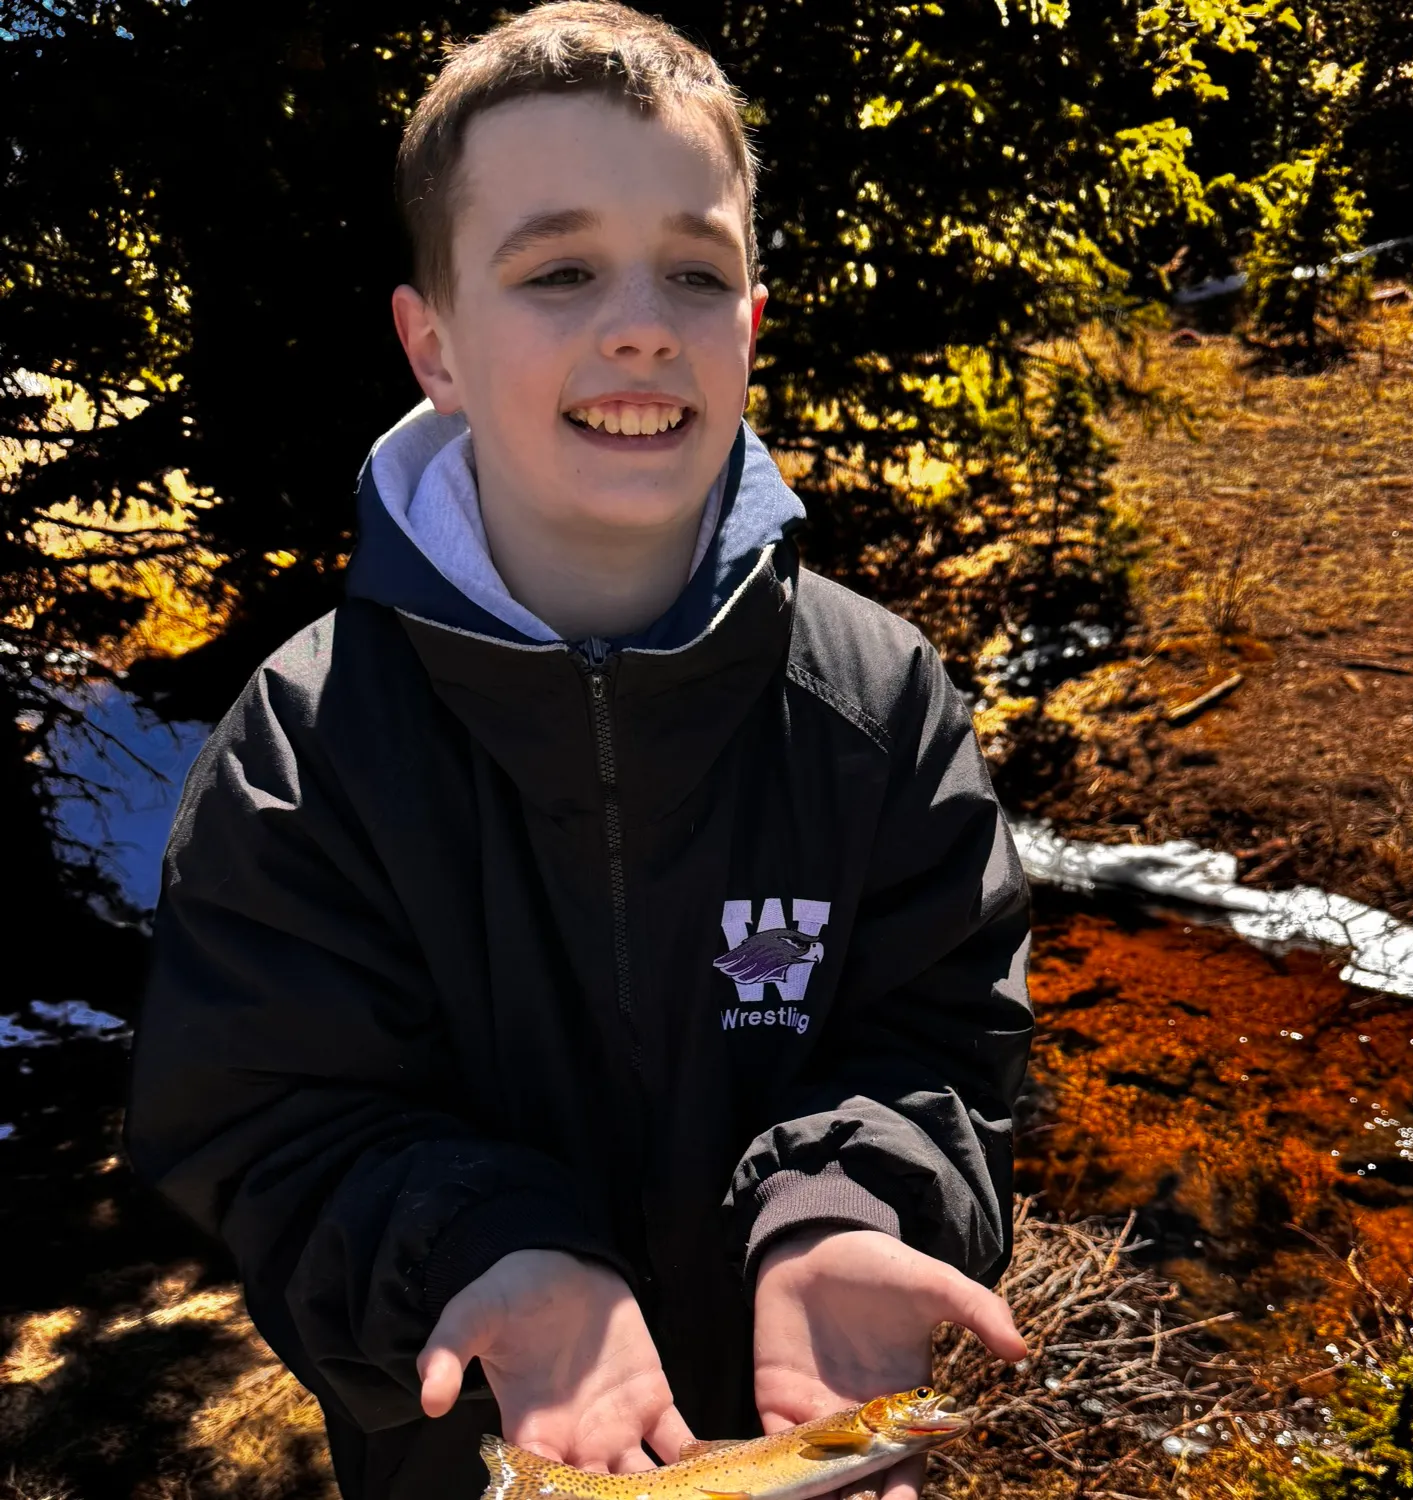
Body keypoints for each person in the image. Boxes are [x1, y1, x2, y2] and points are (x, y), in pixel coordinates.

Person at [125, 5, 1036, 1499]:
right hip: (475, 1465)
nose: (640, 322)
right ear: (436, 346)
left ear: (748, 326)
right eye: (558, 272)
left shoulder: (879, 700)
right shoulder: (308, 747)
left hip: (801, 1449)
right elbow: (260, 1119)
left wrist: (849, 1210)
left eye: (696, 270)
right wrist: (482, 1251)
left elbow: (942, 1032)